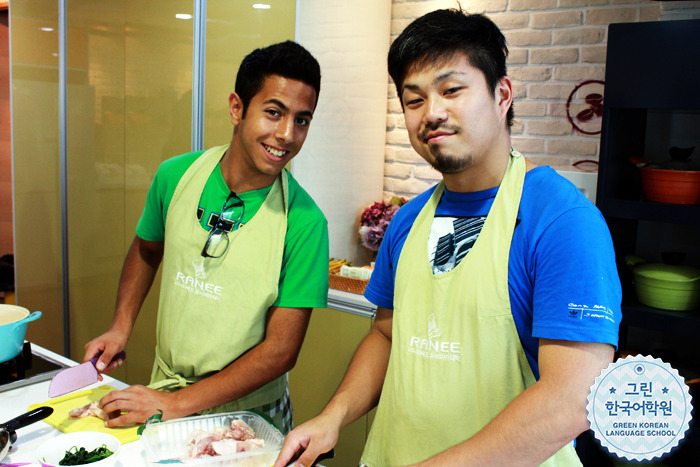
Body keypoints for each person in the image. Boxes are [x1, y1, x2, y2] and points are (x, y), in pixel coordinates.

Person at [275, 9, 621, 467]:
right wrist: (334, 416)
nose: (432, 112)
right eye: (414, 99)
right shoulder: (408, 221)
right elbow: (386, 335)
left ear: (502, 95)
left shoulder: (561, 221)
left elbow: (572, 397)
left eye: (452, 89)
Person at [83, 40, 328, 434]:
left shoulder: (305, 222)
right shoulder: (175, 177)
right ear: (237, 107)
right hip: (165, 394)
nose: (286, 134)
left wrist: (174, 404)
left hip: (249, 418)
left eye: (302, 120)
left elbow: (281, 351)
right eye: (273, 113)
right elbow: (147, 249)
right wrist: (119, 326)